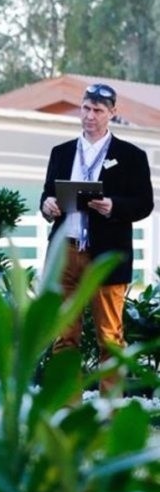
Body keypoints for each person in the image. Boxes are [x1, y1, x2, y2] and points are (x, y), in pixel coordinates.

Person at [39, 83, 154, 395]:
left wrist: (114, 206)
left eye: (98, 110)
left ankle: (110, 409)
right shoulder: (61, 153)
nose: (90, 116)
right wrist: (47, 205)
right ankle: (66, 407)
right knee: (64, 335)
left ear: (112, 113)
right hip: (65, 253)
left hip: (105, 257)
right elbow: (47, 195)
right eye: (86, 108)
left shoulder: (131, 156)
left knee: (109, 337)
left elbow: (144, 203)